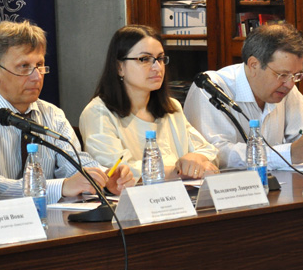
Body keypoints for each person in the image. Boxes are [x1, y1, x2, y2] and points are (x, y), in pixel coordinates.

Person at [0, 20, 134, 204]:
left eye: (39, 65)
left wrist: (105, 177)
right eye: (24, 67)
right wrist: (61, 187)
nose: (37, 76)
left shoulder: (52, 114)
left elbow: (74, 164)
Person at [184, 22, 303, 169]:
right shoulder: (211, 88)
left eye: (296, 76)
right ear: (254, 65)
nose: (290, 84)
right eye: (282, 75)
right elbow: (217, 153)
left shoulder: (284, 87)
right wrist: (288, 153)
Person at [80, 25, 218, 181]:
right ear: (119, 67)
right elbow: (117, 171)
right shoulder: (98, 113)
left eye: (160, 58)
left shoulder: (172, 107)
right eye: (144, 59)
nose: (157, 67)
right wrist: (179, 171)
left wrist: (197, 159)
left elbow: (208, 152)